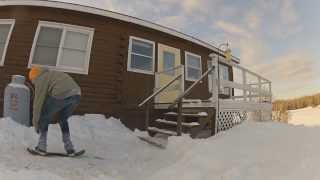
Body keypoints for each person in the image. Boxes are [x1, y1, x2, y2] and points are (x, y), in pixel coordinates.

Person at [29, 67, 81, 155]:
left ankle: (41, 147)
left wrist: (36, 123)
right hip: (76, 94)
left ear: (34, 78)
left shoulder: (41, 79)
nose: (34, 84)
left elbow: (38, 104)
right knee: (62, 119)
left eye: (33, 82)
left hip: (61, 93)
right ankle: (70, 148)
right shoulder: (52, 74)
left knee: (44, 116)